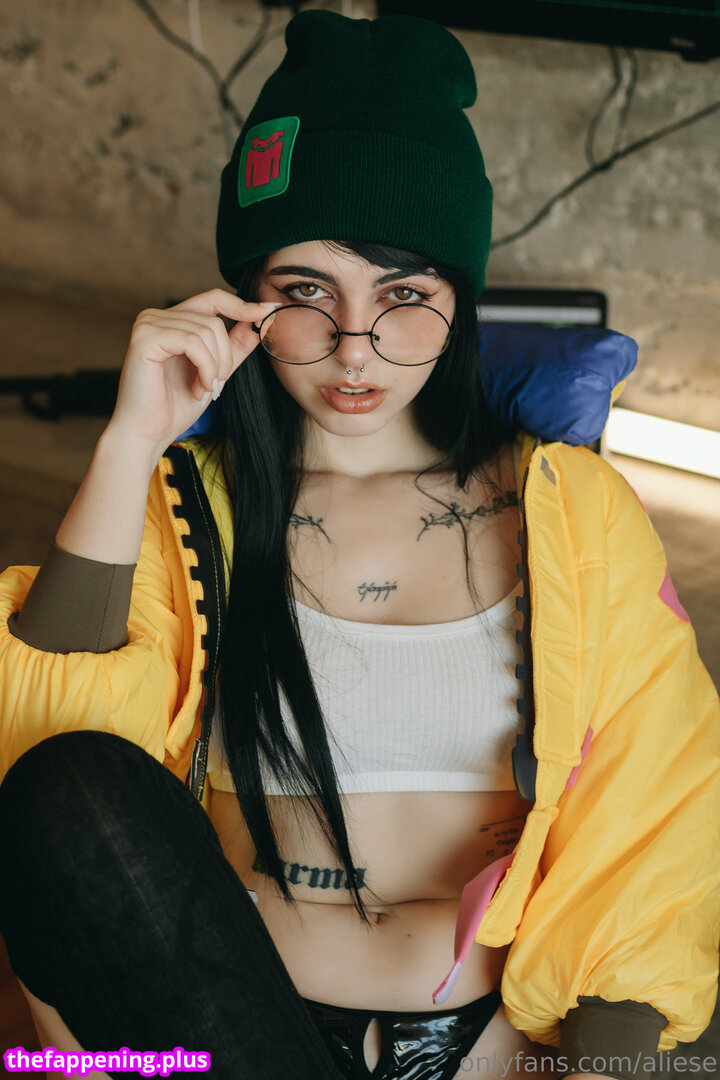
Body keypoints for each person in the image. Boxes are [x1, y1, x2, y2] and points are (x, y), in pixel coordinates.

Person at [0, 11, 718, 1080]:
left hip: (481, 1045)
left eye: (404, 296)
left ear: (459, 302)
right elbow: (41, 739)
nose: (353, 350)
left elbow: (656, 801)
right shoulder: (191, 500)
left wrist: (596, 1067)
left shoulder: (569, 509)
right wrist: (128, 442)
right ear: (244, 300)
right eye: (305, 293)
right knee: (63, 784)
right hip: (233, 1030)